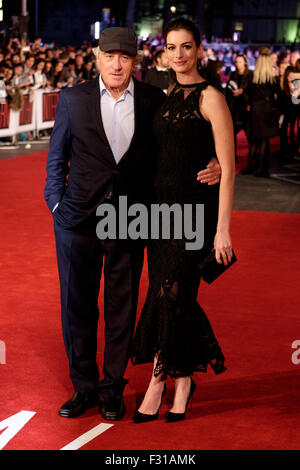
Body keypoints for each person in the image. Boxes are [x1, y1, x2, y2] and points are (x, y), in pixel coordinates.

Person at [44, 27, 221, 421]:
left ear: (134, 62)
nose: (117, 64)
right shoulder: (73, 99)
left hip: (129, 219)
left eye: (125, 57)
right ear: (98, 58)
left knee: (121, 308)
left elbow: (180, 143)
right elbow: (56, 160)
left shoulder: (154, 99)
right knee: (76, 306)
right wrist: (57, 206)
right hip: (77, 220)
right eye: (110, 56)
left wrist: (216, 161)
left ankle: (111, 387)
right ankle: (83, 387)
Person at [131, 18, 235, 423]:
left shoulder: (212, 97)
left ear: (198, 50)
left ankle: (159, 381)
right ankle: (185, 380)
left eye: (186, 46)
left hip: (195, 214)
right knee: (171, 294)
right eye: (172, 47)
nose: (179, 54)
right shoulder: (167, 93)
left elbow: (227, 168)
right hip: (160, 213)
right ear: (164, 53)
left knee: (169, 294)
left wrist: (222, 229)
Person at [241, 47, 281, 176]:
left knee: (254, 140)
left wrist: (249, 104)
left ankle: (249, 167)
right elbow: (279, 95)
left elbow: (246, 93)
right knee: (264, 141)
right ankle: (261, 169)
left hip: (255, 110)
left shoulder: (252, 76)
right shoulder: (272, 79)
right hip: (267, 110)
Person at [226, 54, 253, 159]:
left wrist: (242, 91)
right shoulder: (233, 74)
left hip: (245, 105)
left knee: (248, 131)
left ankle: (253, 152)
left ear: (245, 62)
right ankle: (233, 155)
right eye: (236, 62)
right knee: (232, 132)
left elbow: (251, 89)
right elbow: (229, 88)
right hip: (234, 105)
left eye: (240, 62)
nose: (238, 64)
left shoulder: (250, 74)